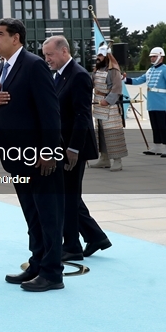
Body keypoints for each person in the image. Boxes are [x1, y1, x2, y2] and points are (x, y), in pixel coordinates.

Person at [0, 18, 64, 292]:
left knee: (48, 215)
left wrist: (49, 151)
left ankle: (53, 273)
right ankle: (37, 264)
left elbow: (50, 111)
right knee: (32, 215)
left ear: (16, 38)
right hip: (15, 157)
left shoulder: (33, 65)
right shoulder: (1, 69)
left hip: (38, 158)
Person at [42, 36, 111, 261]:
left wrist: (73, 148)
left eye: (50, 55)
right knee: (67, 195)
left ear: (63, 51)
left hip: (73, 146)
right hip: (61, 144)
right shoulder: (59, 75)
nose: (47, 59)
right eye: (45, 55)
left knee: (68, 197)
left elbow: (82, 115)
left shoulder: (79, 75)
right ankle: (95, 236)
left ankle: (72, 245)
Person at [125, 46, 166, 157]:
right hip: (152, 103)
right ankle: (157, 147)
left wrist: (164, 94)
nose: (152, 58)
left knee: (164, 127)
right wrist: (124, 79)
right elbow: (139, 80)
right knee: (155, 126)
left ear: (160, 57)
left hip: (162, 103)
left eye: (154, 56)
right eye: (151, 57)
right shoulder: (150, 70)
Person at [90, 46, 128, 171]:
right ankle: (104, 158)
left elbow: (117, 88)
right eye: (98, 55)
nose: (98, 58)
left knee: (113, 134)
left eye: (100, 56)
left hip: (110, 107)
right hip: (98, 105)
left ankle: (117, 160)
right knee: (100, 134)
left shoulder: (114, 71)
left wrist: (108, 100)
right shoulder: (96, 70)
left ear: (106, 57)